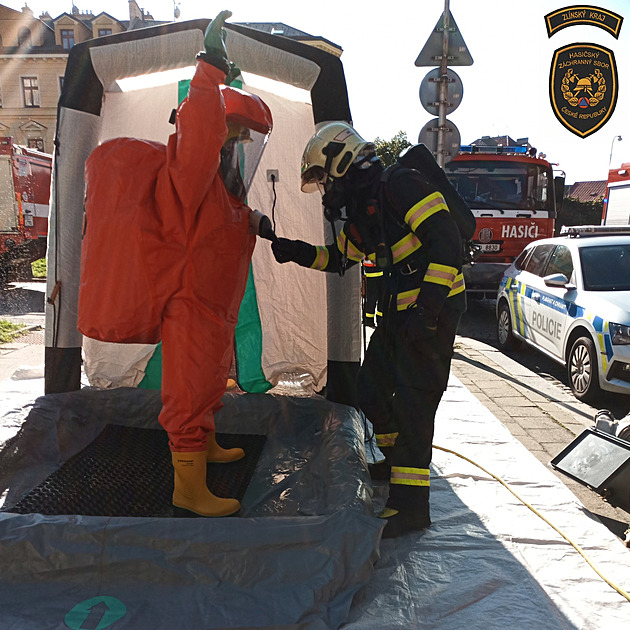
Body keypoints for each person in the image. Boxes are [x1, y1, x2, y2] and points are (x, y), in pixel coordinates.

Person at [78, 10, 273, 518]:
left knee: (209, 379)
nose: (241, 152)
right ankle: (187, 485)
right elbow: (199, 133)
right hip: (191, 303)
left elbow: (226, 218)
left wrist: (253, 221)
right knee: (188, 386)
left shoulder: (222, 196)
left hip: (215, 310)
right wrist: (208, 72)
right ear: (219, 139)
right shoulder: (190, 180)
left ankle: (203, 444)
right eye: (235, 140)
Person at [271, 123, 466, 537]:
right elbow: (343, 258)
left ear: (340, 160)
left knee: (415, 402)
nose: (324, 188)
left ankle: (411, 505)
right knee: (371, 389)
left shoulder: (403, 185)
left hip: (435, 308)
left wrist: (428, 311)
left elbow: (448, 243)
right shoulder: (368, 206)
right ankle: (396, 464)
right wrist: (297, 252)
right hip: (403, 311)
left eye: (323, 177)